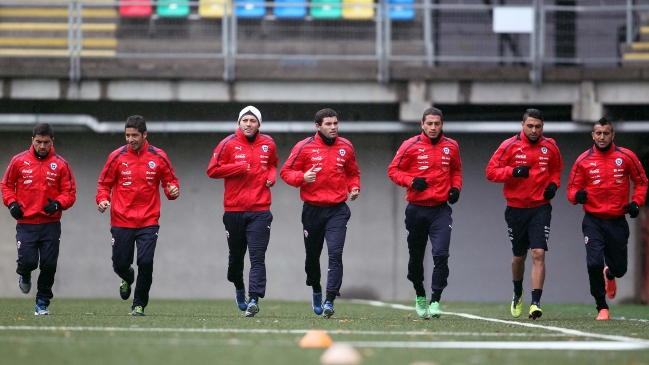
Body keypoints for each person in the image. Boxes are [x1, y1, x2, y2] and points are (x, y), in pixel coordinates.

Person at [280, 108, 361, 318]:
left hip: (337, 210)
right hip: (312, 211)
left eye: (335, 123)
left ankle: (330, 300)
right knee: (312, 257)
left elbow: (353, 172)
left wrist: (354, 188)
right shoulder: (304, 147)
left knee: (335, 254)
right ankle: (316, 289)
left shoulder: (346, 146)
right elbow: (285, 172)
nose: (333, 127)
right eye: (328, 124)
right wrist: (301, 177)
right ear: (318, 126)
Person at [96, 115, 180, 316]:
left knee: (146, 263)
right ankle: (126, 276)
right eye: (127, 135)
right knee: (120, 264)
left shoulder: (159, 157)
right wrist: (101, 199)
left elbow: (170, 182)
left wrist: (173, 191)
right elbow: (103, 184)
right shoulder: (116, 157)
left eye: (134, 135)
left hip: (149, 222)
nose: (130, 139)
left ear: (144, 135)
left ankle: (139, 304)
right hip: (121, 220)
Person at [567, 117, 647, 320]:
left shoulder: (626, 156)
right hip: (593, 220)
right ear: (592, 135)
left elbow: (642, 182)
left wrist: (636, 203)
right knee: (593, 263)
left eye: (606, 133)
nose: (602, 137)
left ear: (613, 135)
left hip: (617, 221)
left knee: (620, 269)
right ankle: (602, 306)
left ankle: (610, 274)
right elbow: (571, 188)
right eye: (598, 133)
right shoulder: (583, 160)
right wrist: (577, 196)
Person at [486, 108, 563, 320]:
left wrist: (554, 185)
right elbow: (490, 172)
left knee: (539, 253)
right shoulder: (509, 146)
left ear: (543, 127)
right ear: (522, 126)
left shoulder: (550, 146)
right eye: (530, 126)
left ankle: (535, 303)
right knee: (519, 256)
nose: (534, 130)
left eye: (538, 126)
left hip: (541, 207)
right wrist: (513, 171)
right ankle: (517, 291)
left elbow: (556, 170)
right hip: (516, 208)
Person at [388, 107, 462, 319]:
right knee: (416, 258)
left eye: (437, 124)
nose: (433, 127)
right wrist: (410, 181)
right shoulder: (409, 145)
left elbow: (456, 170)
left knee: (441, 255)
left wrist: (456, 188)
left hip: (440, 210)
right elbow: (393, 170)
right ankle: (420, 294)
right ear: (422, 124)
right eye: (429, 123)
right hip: (416, 210)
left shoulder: (451, 146)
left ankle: (436, 301)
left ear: (442, 125)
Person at [207, 106, 278, 317]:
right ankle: (239, 286)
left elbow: (273, 164)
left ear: (259, 124)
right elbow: (212, 170)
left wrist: (271, 177)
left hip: (260, 209)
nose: (248, 124)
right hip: (234, 210)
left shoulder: (268, 144)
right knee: (236, 258)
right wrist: (237, 168)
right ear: (239, 123)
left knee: (257, 256)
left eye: (252, 121)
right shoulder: (227, 144)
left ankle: (254, 299)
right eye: (245, 120)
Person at [1, 123, 77, 315]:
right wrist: (11, 204)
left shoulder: (61, 165)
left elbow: (70, 193)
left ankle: (42, 303)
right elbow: (6, 186)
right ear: (32, 141)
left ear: (52, 142)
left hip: (50, 225)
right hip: (26, 224)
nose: (42, 146)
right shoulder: (18, 161)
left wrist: (58, 204)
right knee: (28, 262)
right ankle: (24, 275)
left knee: (49, 265)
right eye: (38, 142)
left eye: (46, 142)